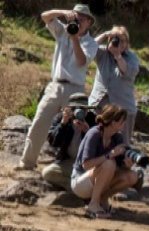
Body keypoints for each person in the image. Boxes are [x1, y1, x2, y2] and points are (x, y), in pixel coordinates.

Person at [17, 4, 98, 171]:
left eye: (83, 18)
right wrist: (62, 12)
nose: (79, 20)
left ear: (89, 22)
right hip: (55, 85)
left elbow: (81, 62)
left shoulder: (91, 43)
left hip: (75, 90)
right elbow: (44, 16)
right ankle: (27, 162)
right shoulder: (63, 30)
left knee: (75, 128)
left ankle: (72, 166)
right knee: (39, 122)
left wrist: (74, 37)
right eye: (77, 16)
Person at [71, 104, 138, 218]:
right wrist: (109, 155)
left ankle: (102, 199)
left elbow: (119, 166)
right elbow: (86, 164)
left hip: (98, 180)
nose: (124, 124)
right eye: (122, 121)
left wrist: (128, 164)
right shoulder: (94, 134)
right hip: (81, 181)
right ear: (113, 122)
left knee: (132, 176)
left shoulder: (117, 137)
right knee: (109, 163)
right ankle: (93, 204)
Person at [89, 25, 140, 143]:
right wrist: (105, 35)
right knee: (95, 140)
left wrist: (118, 55)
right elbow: (88, 47)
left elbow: (127, 72)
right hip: (99, 105)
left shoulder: (132, 58)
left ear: (127, 43)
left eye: (123, 40)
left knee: (121, 144)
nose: (119, 43)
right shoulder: (103, 52)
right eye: (116, 39)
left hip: (123, 109)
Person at [42, 92, 93, 191]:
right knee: (48, 173)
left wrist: (88, 132)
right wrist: (63, 124)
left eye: (83, 108)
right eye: (75, 108)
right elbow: (53, 142)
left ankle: (81, 188)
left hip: (87, 163)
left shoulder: (93, 120)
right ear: (69, 109)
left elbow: (100, 146)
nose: (79, 111)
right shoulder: (61, 118)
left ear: (87, 109)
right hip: (68, 162)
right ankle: (77, 189)